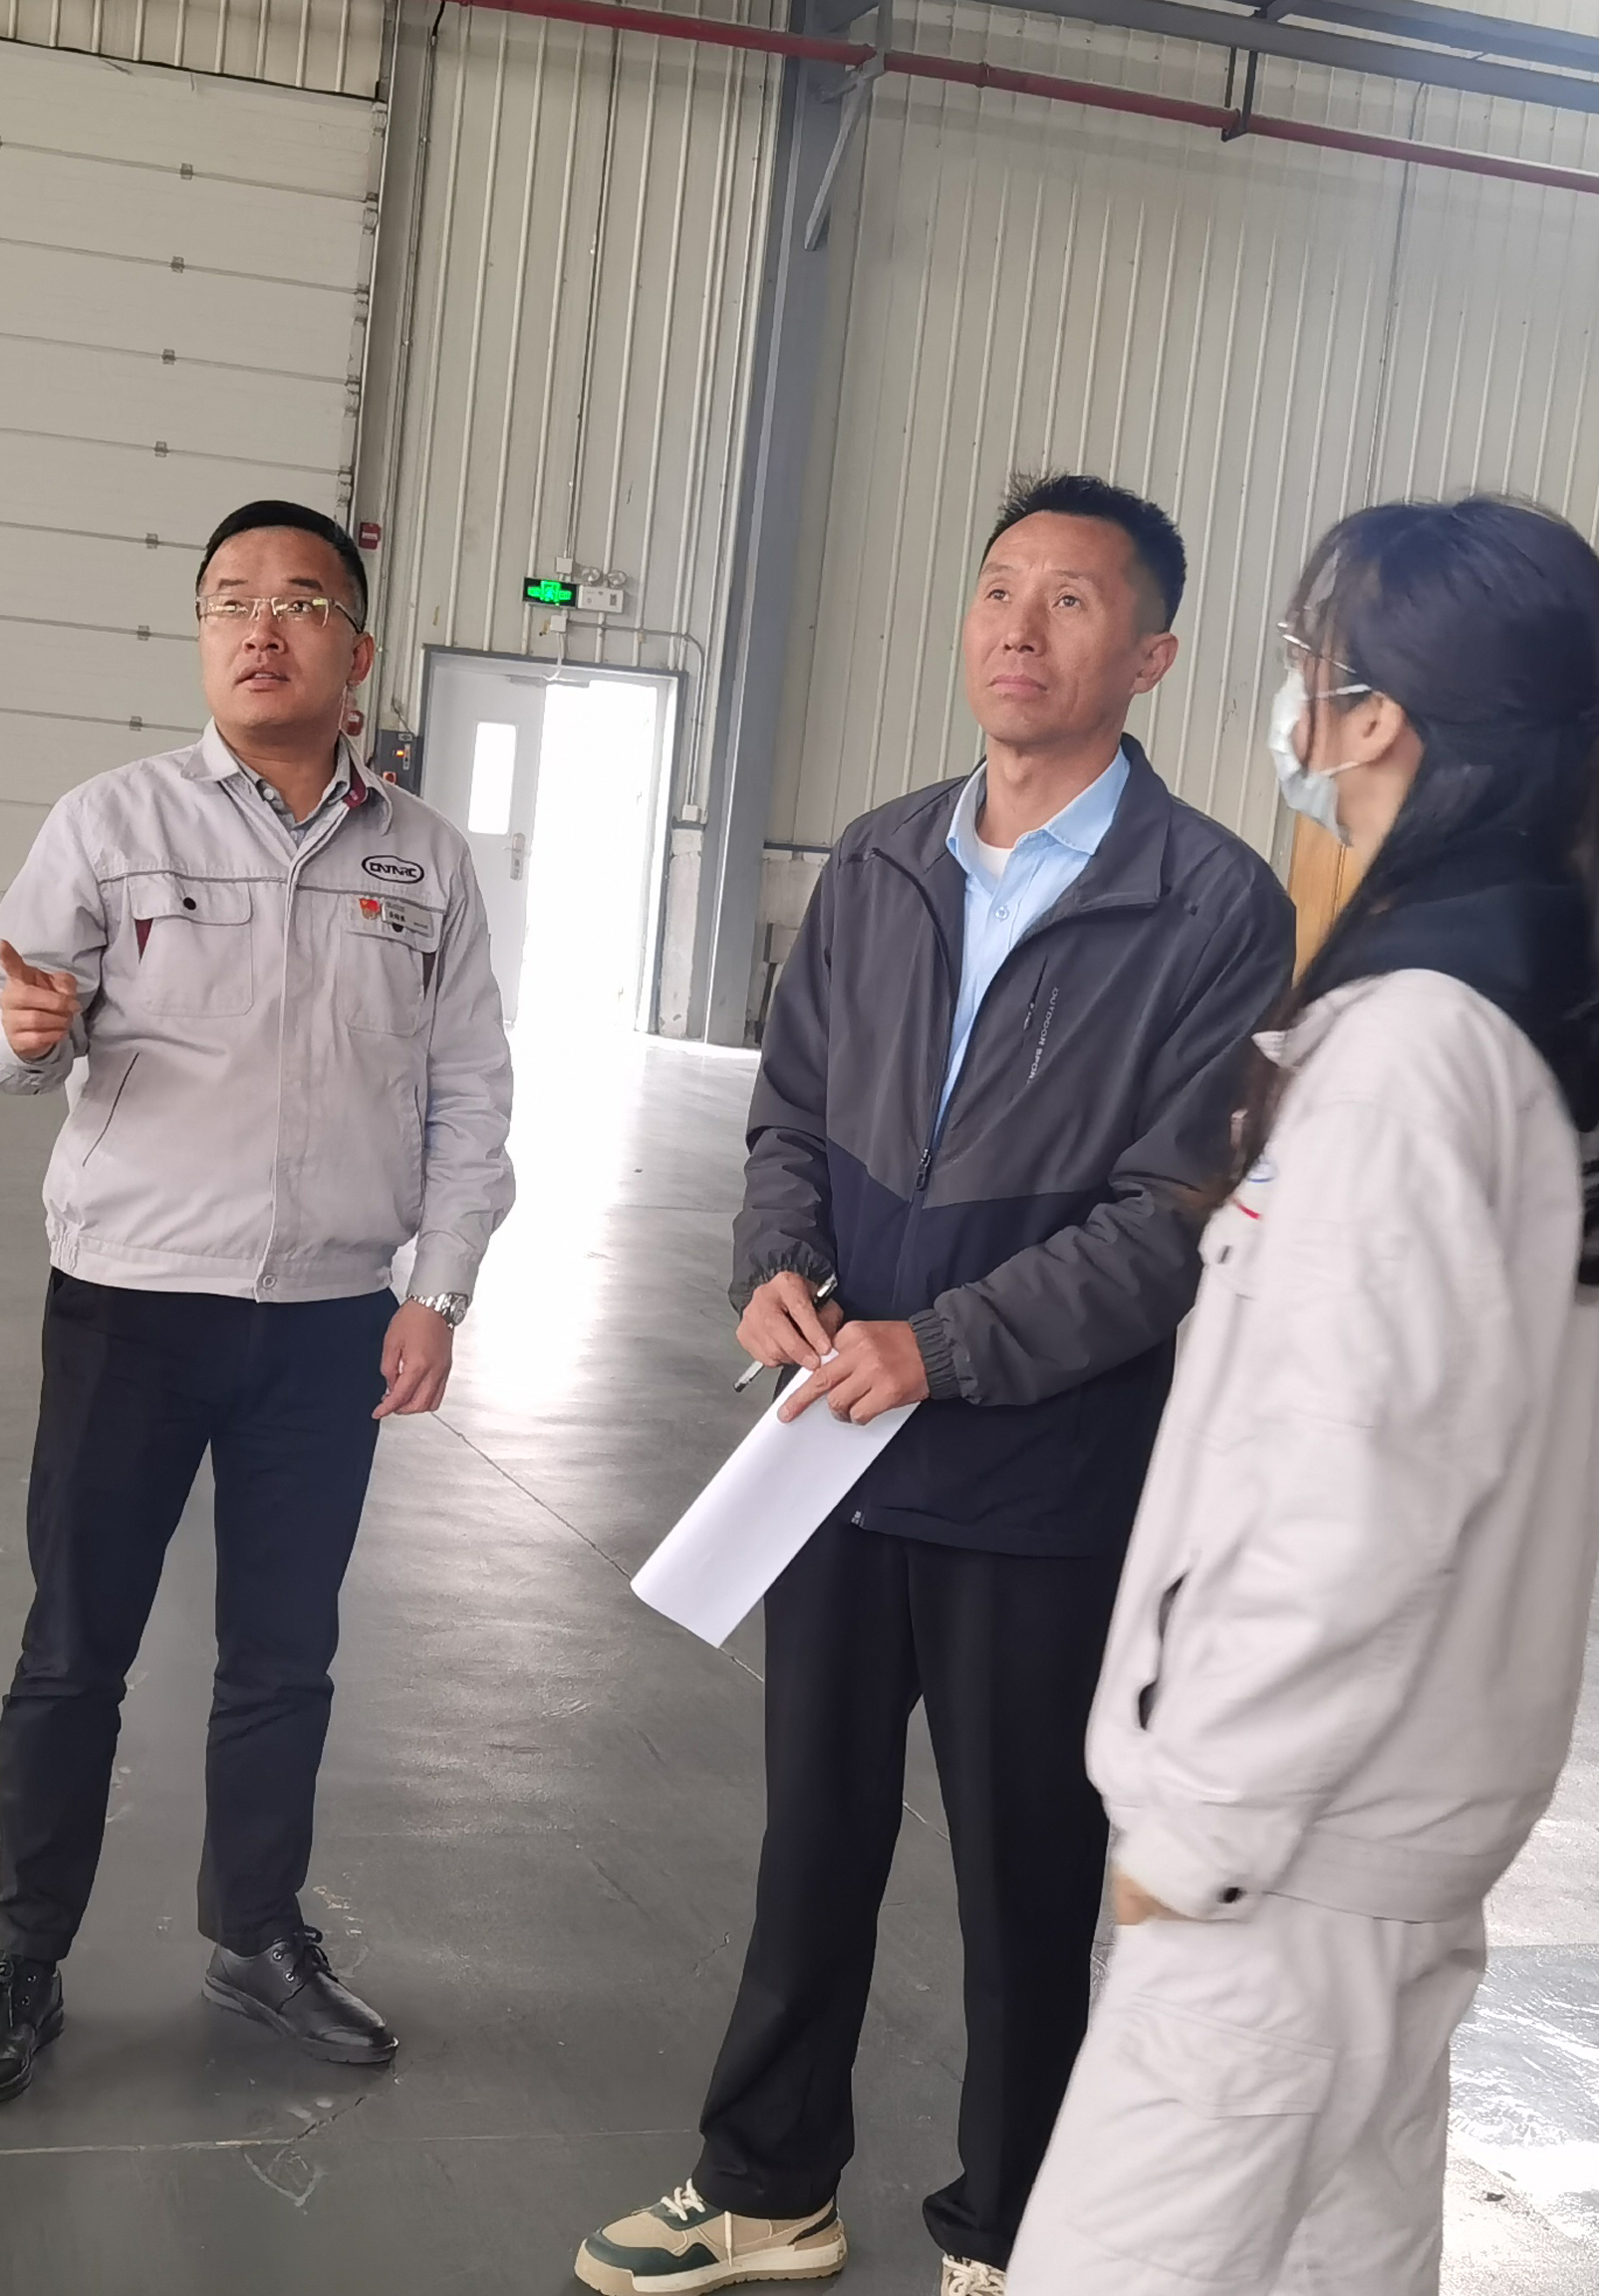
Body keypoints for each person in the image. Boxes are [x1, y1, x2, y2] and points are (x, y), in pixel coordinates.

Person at [578, 476, 1295, 2296]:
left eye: (1071, 601)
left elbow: (1173, 1218)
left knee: (1024, 1874)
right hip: (832, 1446)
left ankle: (1018, 2234)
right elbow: (791, 1113)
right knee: (811, 1839)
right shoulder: (883, 858)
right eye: (997, 590)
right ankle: (766, 2186)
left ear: (1150, 655)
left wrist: (945, 1345)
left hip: (1042, 1469)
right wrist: (775, 1263)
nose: (1018, 630)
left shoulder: (1211, 904)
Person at [1002, 497, 1599, 2295]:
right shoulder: (1546, 1002)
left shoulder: (1414, 1048)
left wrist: (1198, 1832)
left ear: (1377, 713)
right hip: (1395, 1836)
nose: (1296, 701)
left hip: (1288, 1868)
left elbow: (1348, 1488)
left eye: (1308, 663)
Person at [0, 498, 513, 2107]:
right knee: (76, 1651)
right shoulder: (112, 824)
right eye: (229, 602)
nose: (261, 628)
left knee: (284, 1655)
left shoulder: (424, 859)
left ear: (356, 650)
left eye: (300, 602)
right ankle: (24, 1960)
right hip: (131, 1310)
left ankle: (256, 1933)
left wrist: (439, 1293)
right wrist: (20, 1033)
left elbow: (471, 1087)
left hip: (329, 1322)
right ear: (201, 636)